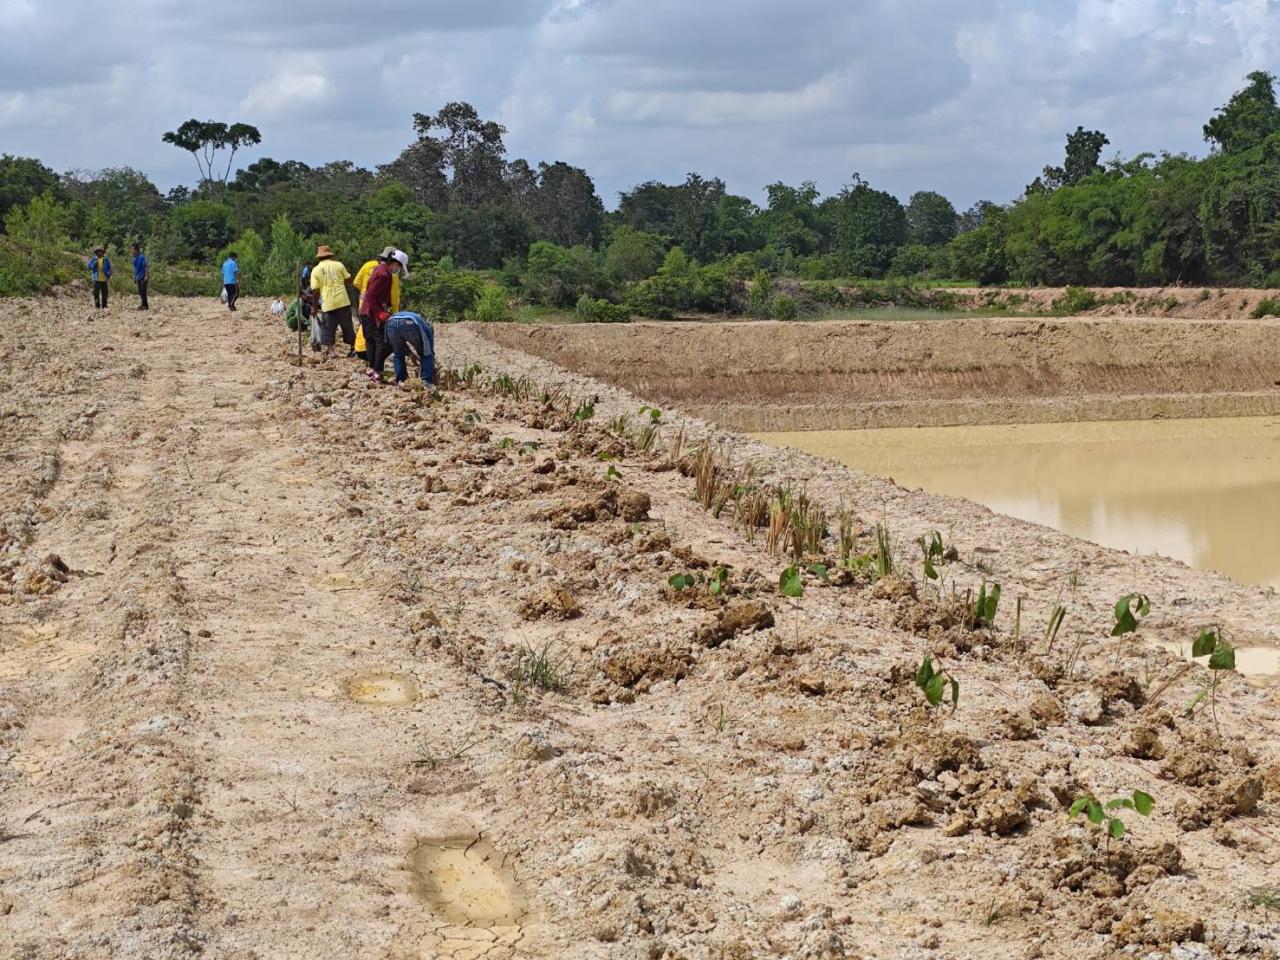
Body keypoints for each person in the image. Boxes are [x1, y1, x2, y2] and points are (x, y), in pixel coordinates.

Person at [358, 250, 410, 383]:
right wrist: (379, 312)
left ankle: (373, 369)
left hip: (367, 311)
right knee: (384, 342)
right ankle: (377, 371)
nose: (397, 270)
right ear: (394, 263)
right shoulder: (383, 275)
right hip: (371, 312)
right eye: (398, 267)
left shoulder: (380, 269)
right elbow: (370, 295)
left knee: (372, 341)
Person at [308, 245, 354, 360]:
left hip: (328, 303)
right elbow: (349, 280)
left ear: (319, 258)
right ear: (330, 255)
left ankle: (332, 351)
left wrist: (314, 307)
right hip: (343, 300)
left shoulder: (316, 270)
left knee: (328, 328)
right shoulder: (339, 265)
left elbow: (315, 291)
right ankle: (354, 348)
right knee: (347, 326)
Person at [384, 310, 435, 386]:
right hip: (410, 322)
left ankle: (401, 380)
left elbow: (401, 345)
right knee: (426, 353)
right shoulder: (427, 328)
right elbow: (428, 351)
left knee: (398, 354)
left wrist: (411, 355)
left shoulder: (419, 319)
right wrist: (431, 364)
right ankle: (426, 381)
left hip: (391, 322)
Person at [131, 243, 149, 310]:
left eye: (132, 249)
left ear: (136, 250)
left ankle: (145, 306)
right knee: (140, 291)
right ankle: (143, 305)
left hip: (143, 276)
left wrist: (146, 276)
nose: (131, 251)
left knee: (143, 291)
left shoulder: (142, 257)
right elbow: (135, 269)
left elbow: (146, 266)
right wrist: (134, 277)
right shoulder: (135, 259)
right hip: (138, 277)